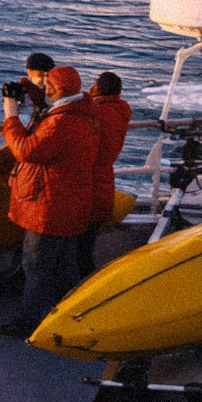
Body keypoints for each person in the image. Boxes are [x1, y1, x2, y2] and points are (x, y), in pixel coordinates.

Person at [0, 65, 101, 338]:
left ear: (54, 90)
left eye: (45, 86)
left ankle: (26, 323)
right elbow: (51, 107)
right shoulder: (82, 112)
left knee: (35, 267)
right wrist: (30, 90)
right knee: (65, 267)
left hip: (50, 206)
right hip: (70, 202)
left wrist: (10, 113)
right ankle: (73, 319)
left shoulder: (60, 123)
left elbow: (26, 150)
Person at [80, 72, 132, 278]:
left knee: (79, 251)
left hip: (88, 184)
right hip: (103, 184)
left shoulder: (97, 113)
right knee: (86, 246)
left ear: (98, 88)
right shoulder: (119, 112)